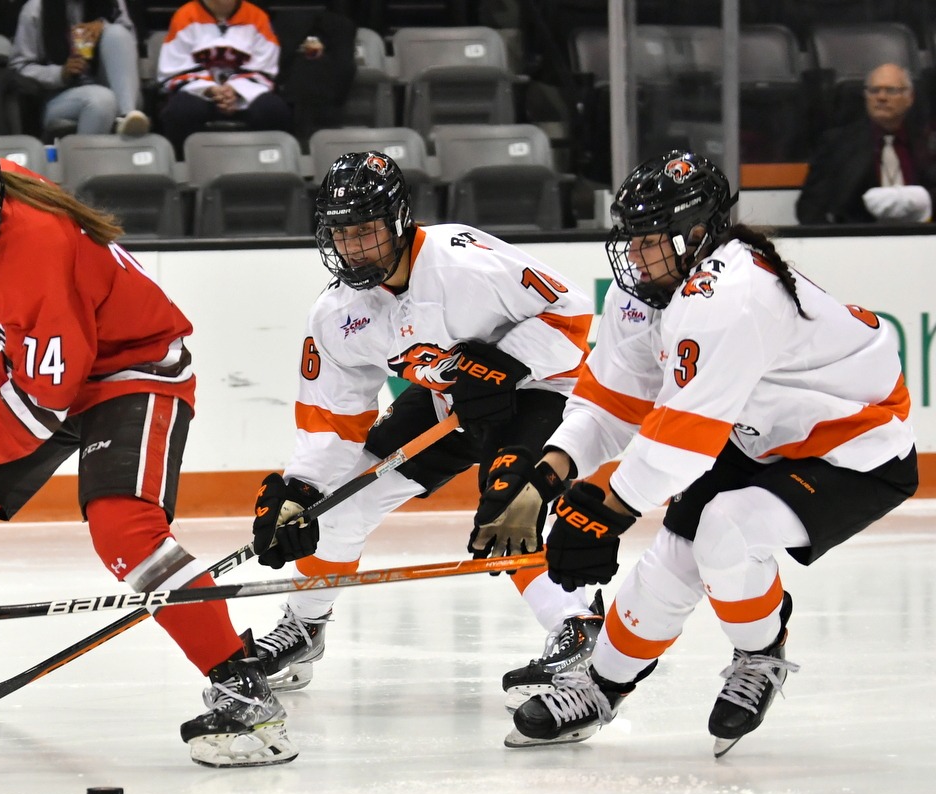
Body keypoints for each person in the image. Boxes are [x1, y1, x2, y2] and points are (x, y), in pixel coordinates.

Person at [0, 122, 297, 768]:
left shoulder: (36, 248)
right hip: (45, 361)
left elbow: (39, 407)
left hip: (132, 367)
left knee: (126, 530)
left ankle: (246, 695)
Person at [498, 150, 916, 755]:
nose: (634, 254)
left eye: (648, 240)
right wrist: (549, 474)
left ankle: (759, 654)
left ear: (697, 233)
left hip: (853, 446)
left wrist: (608, 509)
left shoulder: (734, 292)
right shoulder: (645, 291)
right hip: (754, 433)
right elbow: (610, 403)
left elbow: (684, 433)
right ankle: (600, 686)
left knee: (726, 531)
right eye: (631, 238)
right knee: (672, 558)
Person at [247, 151, 599, 708]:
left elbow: (572, 314)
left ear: (398, 220)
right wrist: (301, 491)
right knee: (337, 505)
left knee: (507, 509)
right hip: (448, 399)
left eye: (366, 230)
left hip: (541, 388)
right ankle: (305, 626)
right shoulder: (337, 314)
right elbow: (333, 416)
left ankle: (577, 626)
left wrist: (506, 362)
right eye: (342, 234)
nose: (354, 247)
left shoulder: (465, 263)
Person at [796, 63, 936, 225]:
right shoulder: (838, 144)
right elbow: (810, 206)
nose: (881, 97)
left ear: (909, 98)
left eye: (891, 90)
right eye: (874, 91)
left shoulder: (927, 142)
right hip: (857, 240)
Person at [155, 0, 295, 155]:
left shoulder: (257, 17)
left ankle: (269, 168)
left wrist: (235, 90)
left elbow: (264, 69)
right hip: (200, 93)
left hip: (245, 95)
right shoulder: (185, 15)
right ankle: (183, 170)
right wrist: (210, 89)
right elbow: (175, 68)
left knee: (273, 109)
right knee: (181, 111)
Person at [10, 0, 151, 136]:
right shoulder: (36, 8)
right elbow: (20, 68)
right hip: (59, 95)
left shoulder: (112, 2)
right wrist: (60, 73)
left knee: (117, 33)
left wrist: (103, 27)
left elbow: (128, 46)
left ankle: (126, 117)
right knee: (102, 100)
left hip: (118, 90)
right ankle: (87, 158)